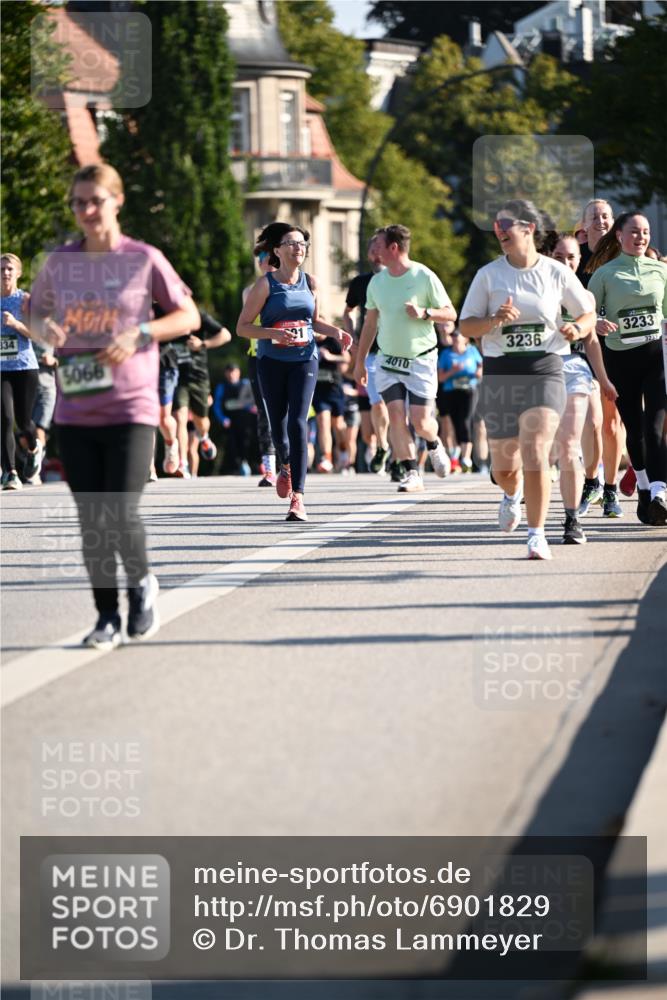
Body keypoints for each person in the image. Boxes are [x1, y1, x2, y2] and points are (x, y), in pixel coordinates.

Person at [30, 163, 200, 649]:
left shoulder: (143, 259)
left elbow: (186, 315)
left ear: (116, 202)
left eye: (94, 201)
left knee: (120, 511)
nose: (85, 211)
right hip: (77, 407)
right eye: (77, 203)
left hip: (131, 405)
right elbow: (34, 311)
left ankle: (142, 584)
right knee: (91, 519)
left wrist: (141, 332)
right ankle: (106, 616)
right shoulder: (61, 262)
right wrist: (47, 331)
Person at [459, 199, 595, 560]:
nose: (500, 231)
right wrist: (494, 320)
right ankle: (511, 492)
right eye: (497, 227)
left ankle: (537, 534)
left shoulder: (555, 272)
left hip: (546, 368)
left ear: (529, 229)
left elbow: (588, 312)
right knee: (505, 467)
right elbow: (466, 325)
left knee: (536, 450)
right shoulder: (489, 275)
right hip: (502, 371)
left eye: (507, 225)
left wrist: (576, 327)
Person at [236, 222, 352, 522]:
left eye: (302, 243)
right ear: (277, 250)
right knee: (279, 425)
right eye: (291, 243)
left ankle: (298, 498)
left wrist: (337, 332)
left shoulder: (310, 282)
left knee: (299, 422)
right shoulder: (266, 285)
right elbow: (242, 327)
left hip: (305, 359)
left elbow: (314, 323)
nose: (299, 248)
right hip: (271, 362)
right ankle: (285, 464)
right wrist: (271, 335)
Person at [352, 224, 456, 493]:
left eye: (378, 246)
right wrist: (359, 362)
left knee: (421, 421)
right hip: (387, 360)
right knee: (396, 416)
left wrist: (424, 313)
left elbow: (450, 313)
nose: (374, 251)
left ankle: (434, 443)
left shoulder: (424, 276)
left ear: (393, 248)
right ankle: (412, 472)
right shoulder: (377, 282)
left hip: (420, 359)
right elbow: (369, 324)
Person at [587, 212, 667, 525]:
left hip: (656, 356)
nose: (641, 237)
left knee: (656, 424)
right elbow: (584, 315)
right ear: (619, 235)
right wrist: (596, 322)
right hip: (620, 357)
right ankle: (645, 490)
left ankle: (660, 491)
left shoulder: (660, 271)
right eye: (634, 232)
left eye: (645, 232)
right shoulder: (604, 274)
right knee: (633, 429)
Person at [549, 234, 618, 543]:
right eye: (560, 256)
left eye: (571, 257)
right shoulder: (540, 290)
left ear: (580, 261)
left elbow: (590, 341)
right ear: (550, 256)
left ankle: (581, 501)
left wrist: (603, 379)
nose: (566, 262)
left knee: (586, 428)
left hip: (578, 367)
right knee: (544, 441)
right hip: (542, 369)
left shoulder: (585, 295)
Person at [576, 199, 626, 517]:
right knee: (592, 422)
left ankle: (610, 489)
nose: (601, 221)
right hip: (582, 348)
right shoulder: (574, 261)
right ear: (583, 226)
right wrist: (591, 321)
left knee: (611, 423)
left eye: (606, 216)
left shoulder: (623, 259)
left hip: (618, 348)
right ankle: (591, 480)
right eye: (594, 216)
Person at [158, 306, 231, 478]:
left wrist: (203, 344)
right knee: (179, 418)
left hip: (198, 376)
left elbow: (225, 335)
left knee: (201, 421)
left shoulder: (196, 315)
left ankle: (204, 437)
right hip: (174, 375)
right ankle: (183, 463)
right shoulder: (161, 314)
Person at [343, 237, 390, 473]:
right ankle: (382, 445)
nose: (375, 252)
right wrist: (352, 339)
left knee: (401, 406)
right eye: (371, 248)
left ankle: (402, 449)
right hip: (372, 353)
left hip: (400, 351)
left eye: (378, 247)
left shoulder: (402, 279)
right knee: (378, 401)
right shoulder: (360, 282)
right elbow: (348, 312)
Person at [1, 253, 42, 490]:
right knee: (4, 419)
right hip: (0, 369)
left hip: (24, 367)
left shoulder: (25, 300)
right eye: (1, 269)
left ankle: (34, 448)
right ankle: (10, 473)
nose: (5, 273)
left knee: (24, 422)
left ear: (18, 273)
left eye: (9, 269)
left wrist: (16, 325)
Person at [244, 250, 277, 487]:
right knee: (264, 412)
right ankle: (269, 468)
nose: (262, 262)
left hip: (287, 355)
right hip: (258, 356)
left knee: (285, 411)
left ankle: (290, 460)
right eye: (259, 258)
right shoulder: (250, 290)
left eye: (266, 256)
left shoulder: (293, 285)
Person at [436, 330, 483, 473]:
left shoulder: (472, 351)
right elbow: (441, 377)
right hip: (451, 391)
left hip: (469, 390)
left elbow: (480, 365)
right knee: (454, 422)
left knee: (466, 420)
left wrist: (478, 372)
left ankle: (466, 458)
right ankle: (456, 456)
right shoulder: (446, 354)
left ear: (466, 339)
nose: (455, 339)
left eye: (458, 336)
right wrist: (453, 371)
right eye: (453, 337)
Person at [212, 364, 256, 475]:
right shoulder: (222, 387)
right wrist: (222, 419)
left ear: (238, 372)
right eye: (229, 372)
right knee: (232, 446)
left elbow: (252, 401)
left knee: (247, 443)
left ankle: (249, 464)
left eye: (234, 371)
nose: (232, 374)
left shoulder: (246, 384)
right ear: (226, 373)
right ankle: (236, 468)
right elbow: (217, 405)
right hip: (230, 422)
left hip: (246, 421)